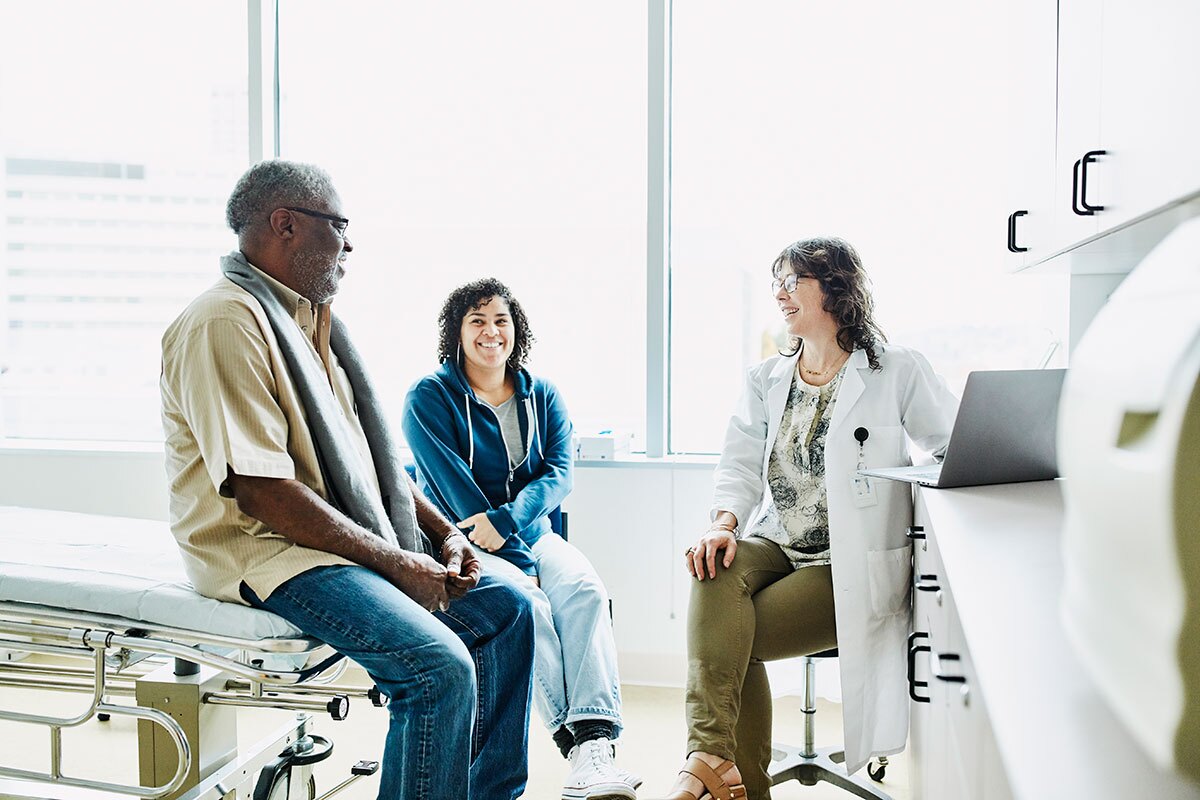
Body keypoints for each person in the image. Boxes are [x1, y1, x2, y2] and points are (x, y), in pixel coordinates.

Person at [159, 160, 535, 800]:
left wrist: (444, 536)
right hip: (270, 552)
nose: (349, 244)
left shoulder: (316, 328)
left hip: (331, 540)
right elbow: (263, 491)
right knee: (436, 669)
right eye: (339, 226)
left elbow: (370, 466)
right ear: (286, 225)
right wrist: (395, 561)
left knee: (509, 608)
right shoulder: (225, 322)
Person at [659, 237, 959, 800]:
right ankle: (713, 759)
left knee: (731, 639)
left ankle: (720, 772)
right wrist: (724, 522)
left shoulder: (894, 370)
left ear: (835, 289)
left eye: (792, 281)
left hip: (848, 558)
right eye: (778, 283)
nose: (780, 294)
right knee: (712, 565)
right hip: (776, 540)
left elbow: (951, 446)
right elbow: (740, 465)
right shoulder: (766, 379)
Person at [402, 278, 639, 800]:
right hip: (461, 543)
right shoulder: (429, 397)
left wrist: (511, 524)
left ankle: (595, 745)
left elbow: (559, 473)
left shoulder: (543, 394)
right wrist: (509, 550)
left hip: (533, 534)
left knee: (584, 592)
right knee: (527, 605)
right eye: (477, 321)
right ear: (457, 332)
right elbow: (450, 488)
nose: (491, 332)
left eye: (501, 321)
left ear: (517, 330)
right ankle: (573, 741)